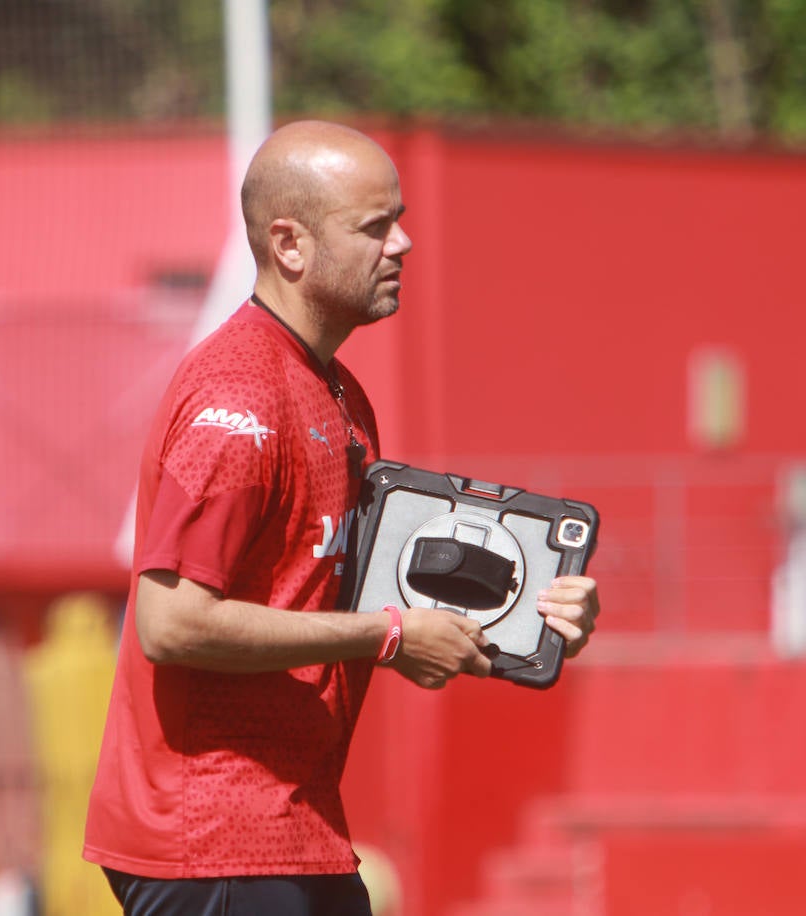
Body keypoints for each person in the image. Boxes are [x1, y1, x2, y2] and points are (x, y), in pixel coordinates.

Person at [82, 120, 600, 916]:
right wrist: (389, 636)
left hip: (299, 831)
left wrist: (537, 610)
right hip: (215, 841)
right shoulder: (239, 397)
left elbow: (344, 591)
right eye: (375, 226)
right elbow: (172, 621)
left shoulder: (339, 395)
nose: (405, 243)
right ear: (289, 245)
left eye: (398, 218)